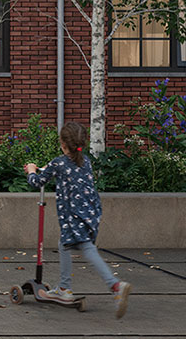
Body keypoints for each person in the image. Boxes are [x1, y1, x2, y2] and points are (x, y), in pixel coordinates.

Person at [26, 121, 131, 318]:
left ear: (63, 143)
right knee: (65, 244)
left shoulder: (59, 163)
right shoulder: (86, 161)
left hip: (72, 216)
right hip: (90, 213)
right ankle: (64, 287)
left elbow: (38, 181)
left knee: (88, 249)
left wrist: (31, 170)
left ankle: (115, 285)